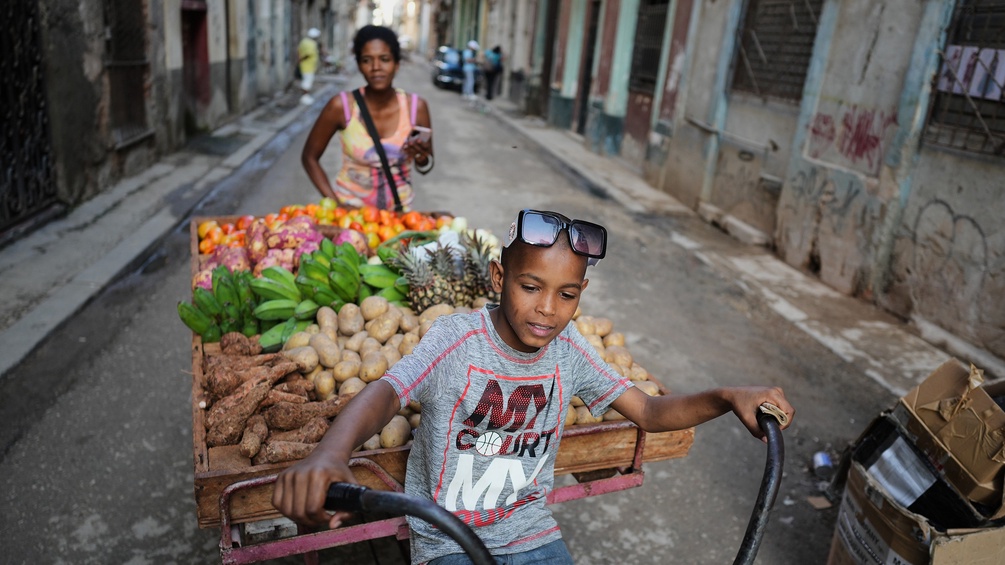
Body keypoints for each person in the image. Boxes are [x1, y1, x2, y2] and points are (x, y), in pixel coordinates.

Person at [272, 208, 796, 564]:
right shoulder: (458, 339)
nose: (548, 309)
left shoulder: (570, 354)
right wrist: (331, 453)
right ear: (498, 278)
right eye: (531, 287)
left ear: (581, 294)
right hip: (447, 539)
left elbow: (651, 413)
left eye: (566, 295)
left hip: (530, 534)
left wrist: (728, 397)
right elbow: (388, 391)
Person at [301, 25, 433, 210]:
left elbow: (426, 164)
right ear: (359, 65)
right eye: (367, 60)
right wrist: (337, 206)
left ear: (397, 64)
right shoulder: (341, 106)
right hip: (350, 218)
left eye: (385, 59)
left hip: (399, 219)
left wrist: (420, 156)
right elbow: (309, 157)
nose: (376, 68)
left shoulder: (416, 108)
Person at [298, 28, 322, 105]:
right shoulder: (312, 43)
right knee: (307, 82)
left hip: (305, 65)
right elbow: (308, 54)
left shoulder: (303, 41)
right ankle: (304, 97)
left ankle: (305, 96)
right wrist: (302, 59)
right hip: (308, 66)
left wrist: (300, 60)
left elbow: (299, 50)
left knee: (305, 81)